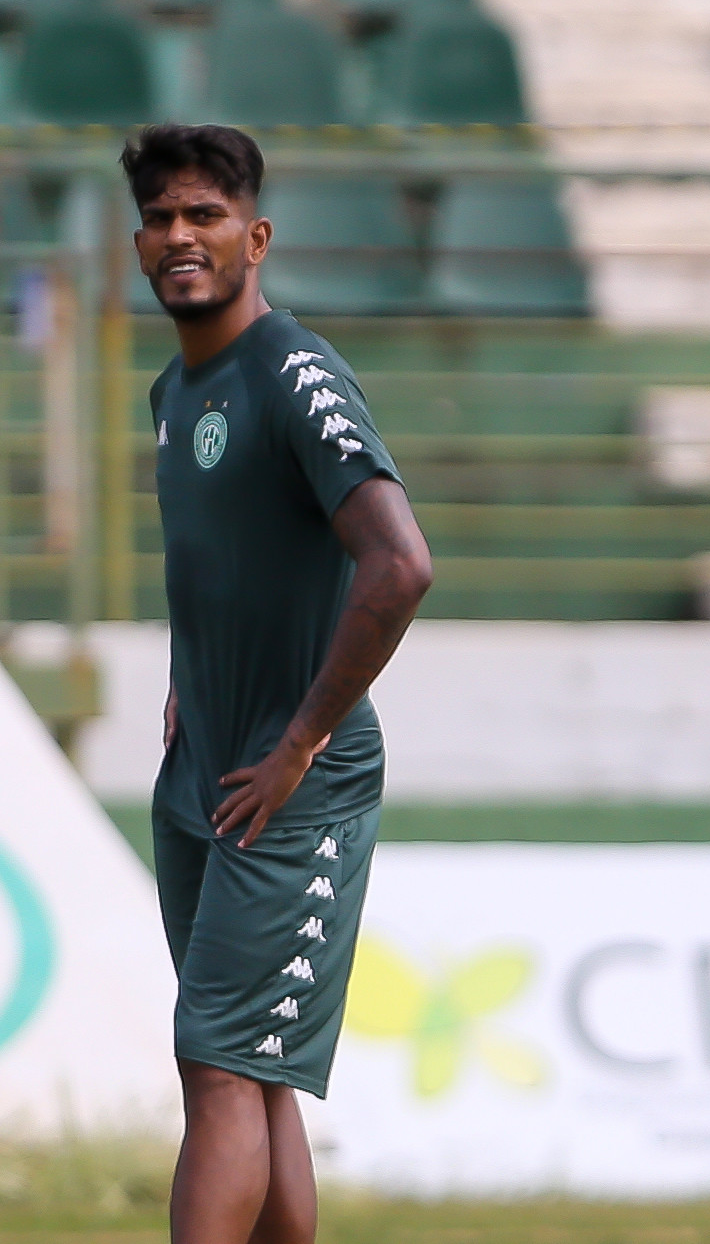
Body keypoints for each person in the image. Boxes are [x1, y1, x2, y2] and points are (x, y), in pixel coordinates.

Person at [128, 124, 433, 1244]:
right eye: (159, 217)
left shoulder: (295, 371)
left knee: (213, 1066)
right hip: (207, 763)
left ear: (254, 235)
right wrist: (187, 671)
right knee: (252, 1075)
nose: (178, 236)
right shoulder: (173, 388)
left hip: (289, 778)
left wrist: (303, 739)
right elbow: (225, 554)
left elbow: (399, 564)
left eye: (202, 215)